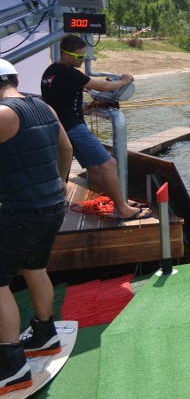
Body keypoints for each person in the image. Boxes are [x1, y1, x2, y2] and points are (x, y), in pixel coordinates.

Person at [0, 58, 73, 394]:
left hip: (18, 212)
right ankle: (45, 335)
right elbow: (67, 148)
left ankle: (12, 367)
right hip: (51, 206)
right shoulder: (43, 107)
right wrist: (58, 185)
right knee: (35, 268)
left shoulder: (3, 114)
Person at [40, 34, 150, 221]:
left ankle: (119, 200)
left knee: (94, 168)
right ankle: (123, 209)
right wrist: (123, 81)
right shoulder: (68, 73)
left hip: (59, 129)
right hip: (73, 128)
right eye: (79, 57)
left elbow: (71, 91)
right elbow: (100, 86)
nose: (82, 61)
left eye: (85, 56)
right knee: (109, 163)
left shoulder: (51, 72)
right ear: (65, 55)